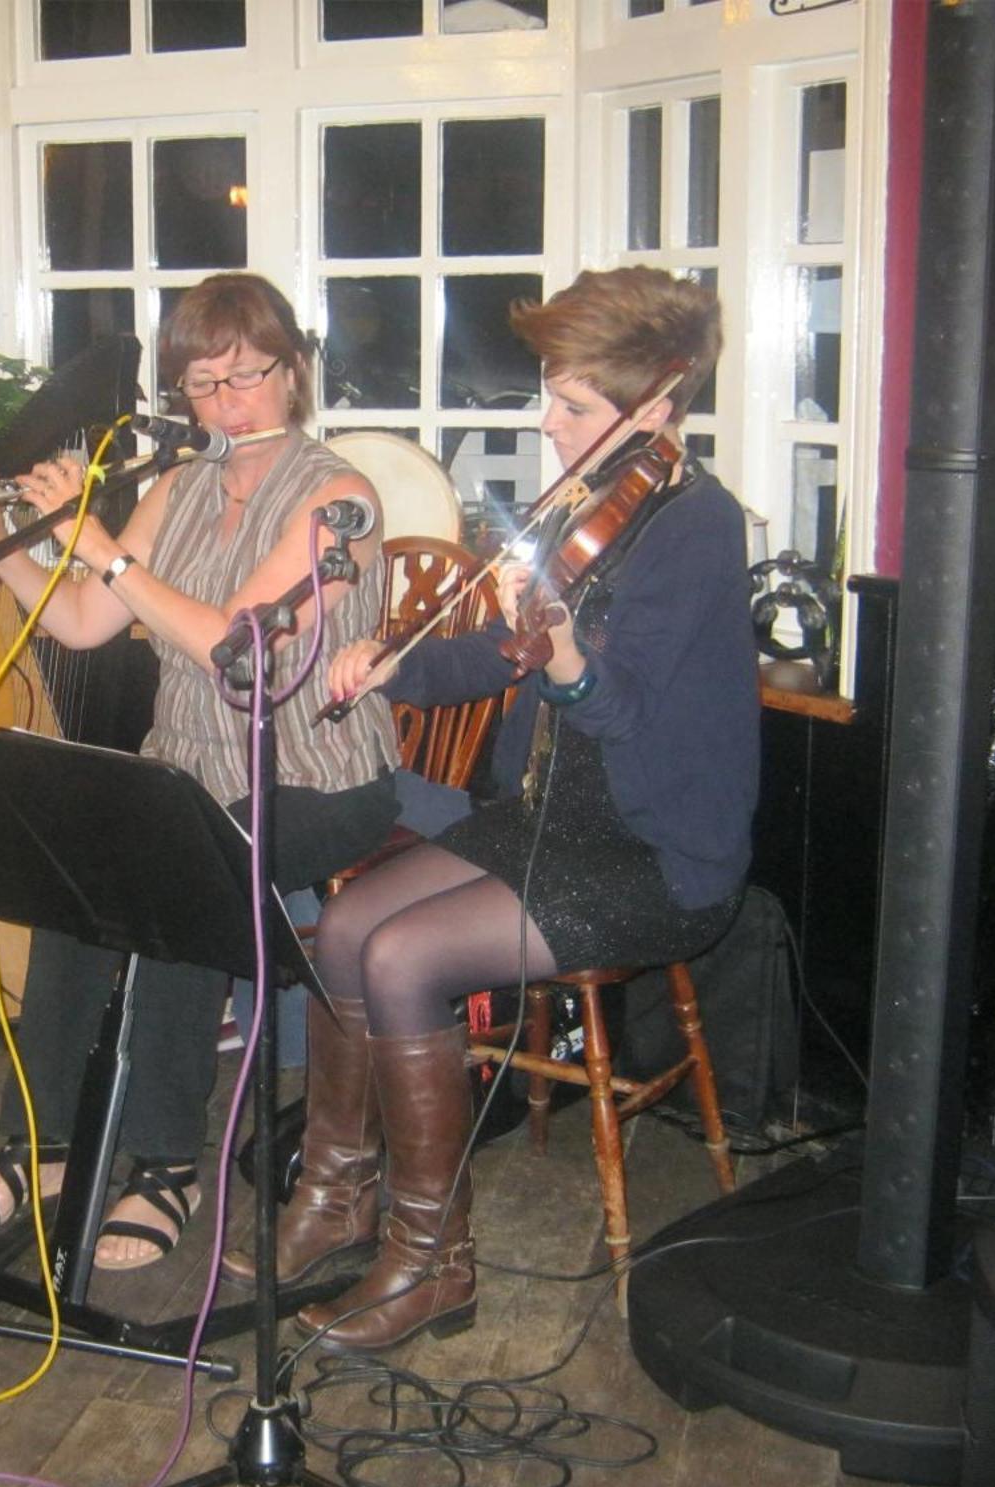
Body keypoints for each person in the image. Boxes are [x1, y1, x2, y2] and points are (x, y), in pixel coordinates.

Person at [249, 267, 760, 1351]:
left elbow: (616, 709)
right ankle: (335, 1196)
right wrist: (389, 667)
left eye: (572, 403)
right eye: (550, 392)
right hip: (543, 822)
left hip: (653, 854)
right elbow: (492, 653)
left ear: (658, 407)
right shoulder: (586, 506)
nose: (548, 420)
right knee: (342, 927)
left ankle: (433, 1262)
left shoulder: (696, 529)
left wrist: (570, 659)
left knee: (400, 958)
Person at [0, 272, 401, 1270]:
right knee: (73, 878)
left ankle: (162, 1162)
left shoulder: (338, 499)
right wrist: (5, 547)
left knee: (181, 869)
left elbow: (233, 650)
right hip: (185, 768)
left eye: (246, 377)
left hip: (316, 776)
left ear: (293, 373)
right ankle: (46, 1143)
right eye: (199, 384)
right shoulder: (178, 485)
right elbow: (81, 620)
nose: (224, 404)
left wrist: (99, 548)